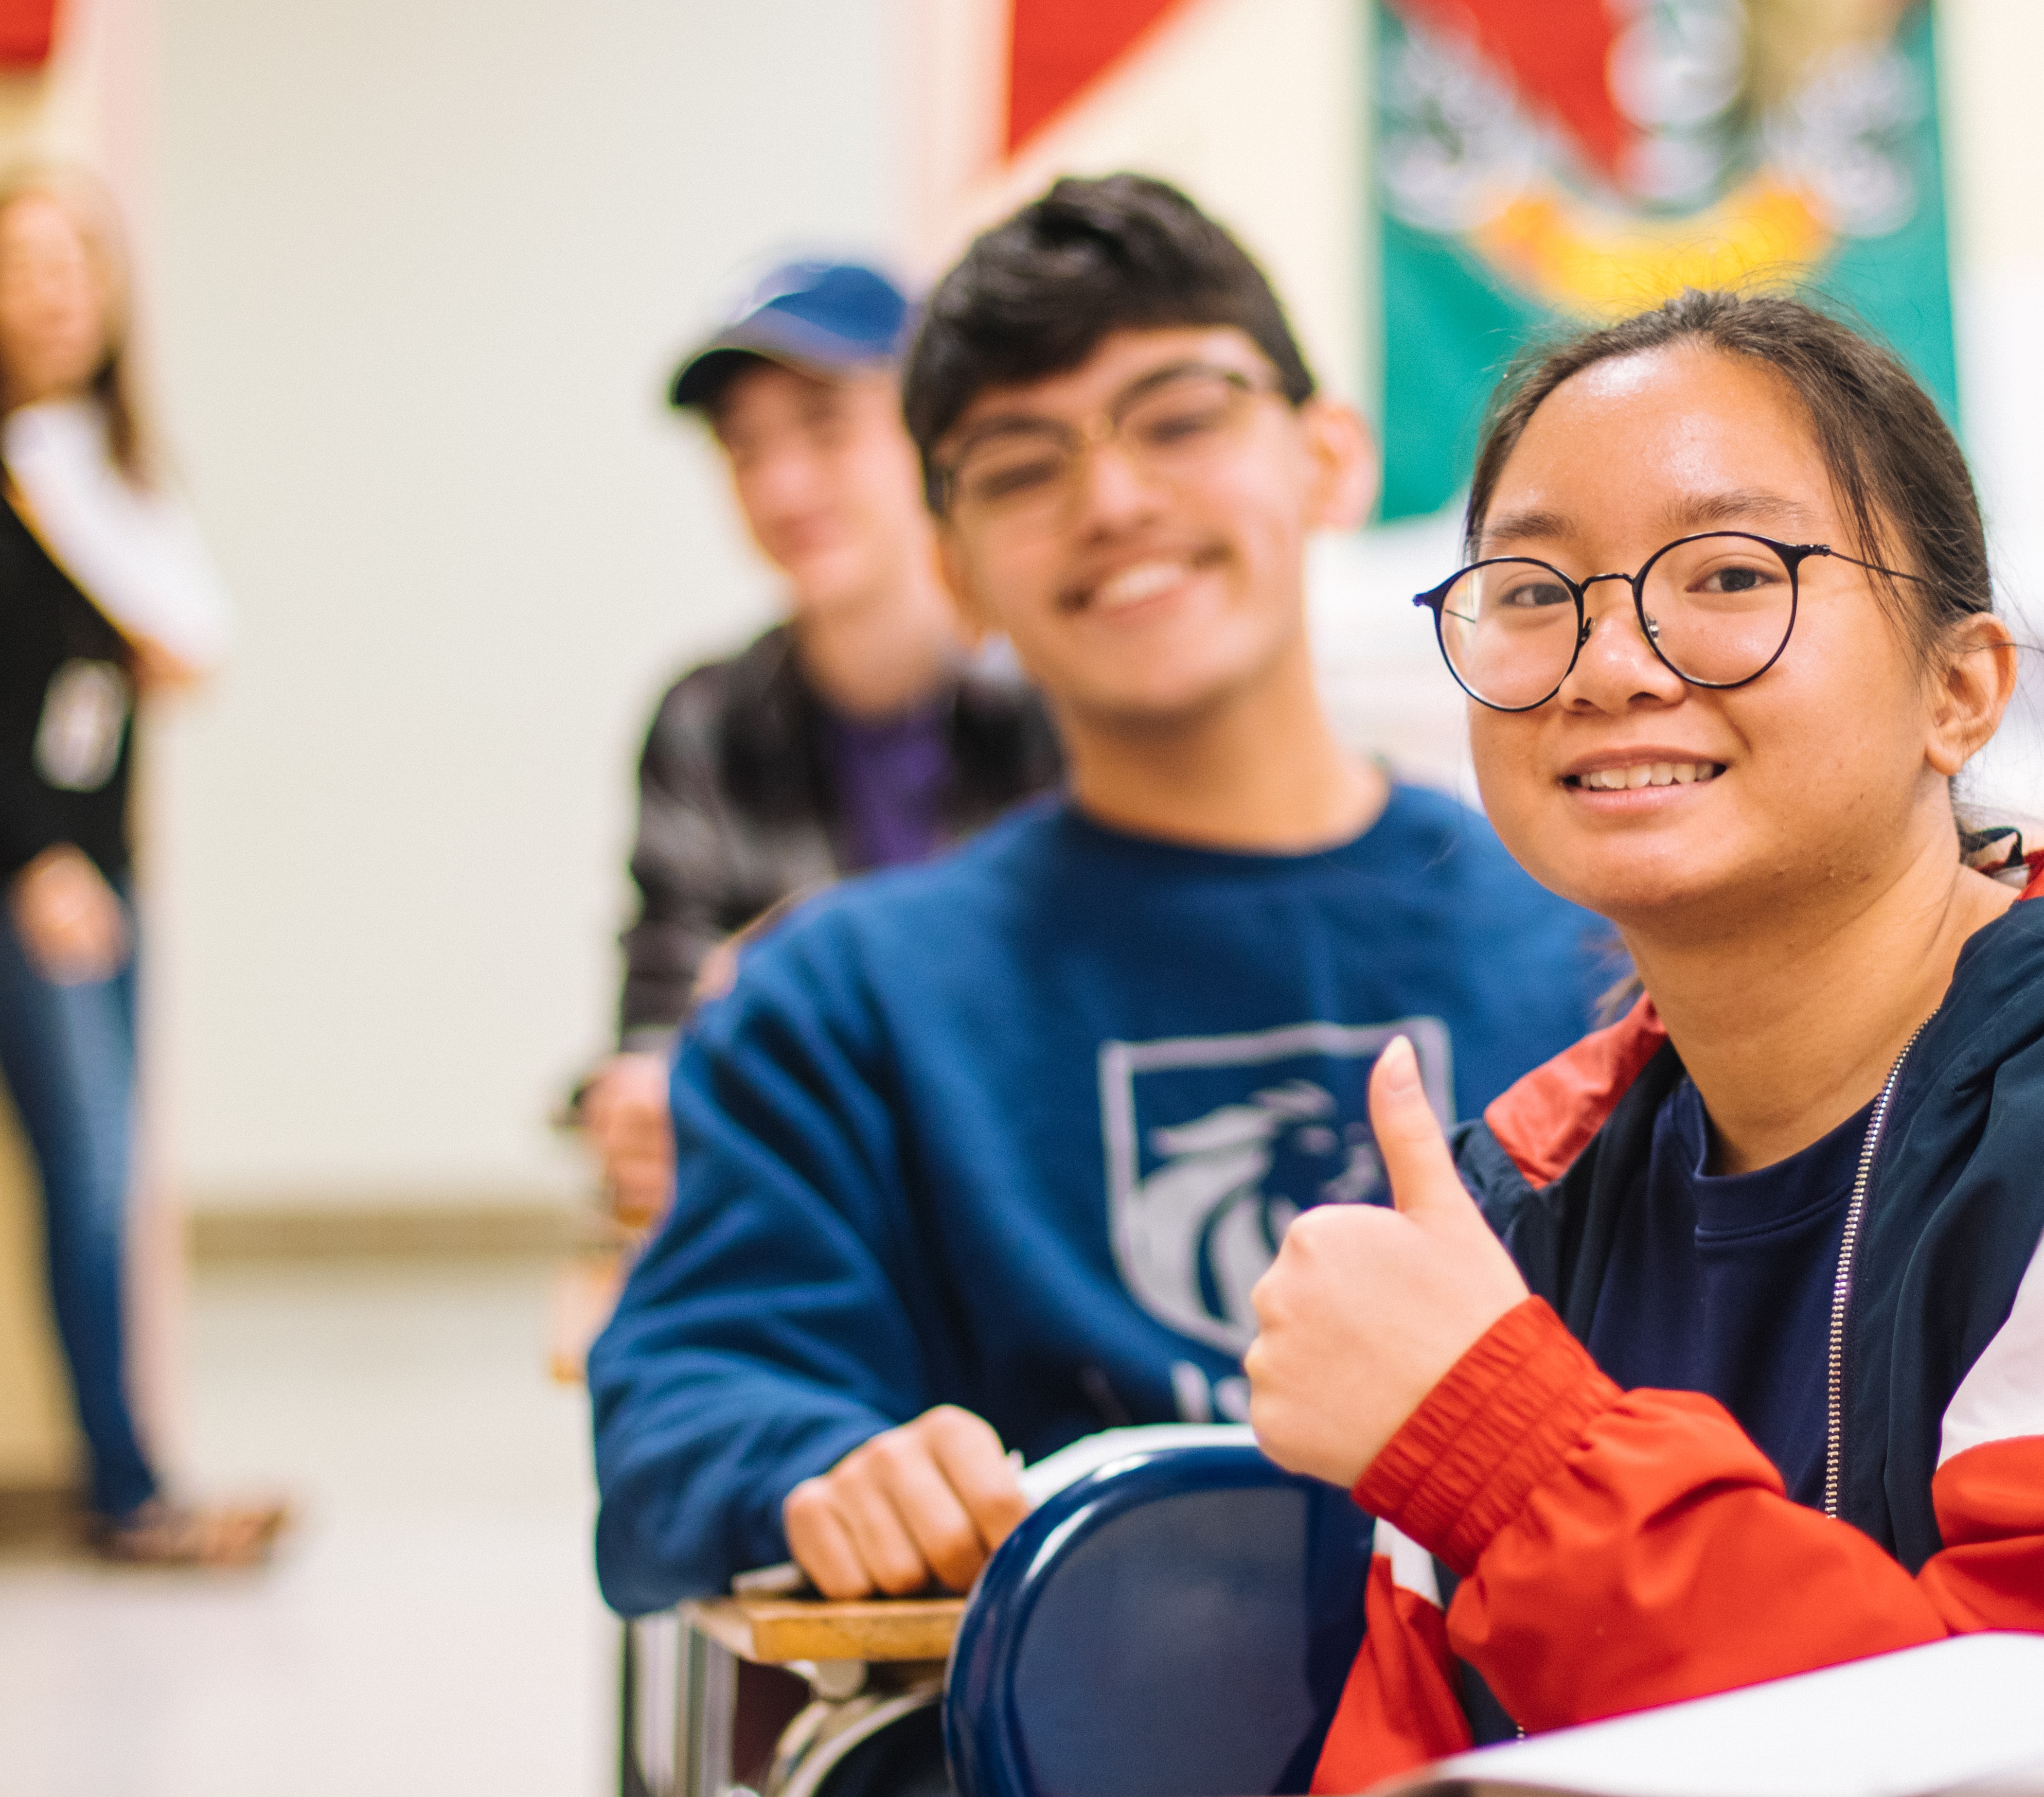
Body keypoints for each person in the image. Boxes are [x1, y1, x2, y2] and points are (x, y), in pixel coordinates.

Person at [1241, 289, 2044, 1778]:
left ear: (1959, 689)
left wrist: (1502, 1453)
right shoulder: (1514, 1199)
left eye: (1730, 573)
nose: (1608, 666)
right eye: (1535, 593)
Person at [587, 176, 1612, 1620]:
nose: (1113, 501)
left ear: (1327, 459)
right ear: (952, 567)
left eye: (1180, 419)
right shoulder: (844, 1003)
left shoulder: (1598, 936)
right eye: (1016, 467)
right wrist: (829, 1469)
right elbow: (687, 1401)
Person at [578, 260, 1060, 1227]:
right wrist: (639, 1099)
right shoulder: (701, 720)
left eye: (825, 428)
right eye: (743, 449)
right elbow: (664, 1002)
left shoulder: (1060, 699)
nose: (781, 485)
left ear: (933, 442)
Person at [0, 165, 279, 1564]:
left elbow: (166, 662)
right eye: (22, 268)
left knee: (104, 1177)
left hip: (101, 879)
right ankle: (127, 1494)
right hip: (34, 884)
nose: (50, 296)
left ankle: (135, 1480)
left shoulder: (104, 478)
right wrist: (35, 853)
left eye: (73, 268)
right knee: (93, 1173)